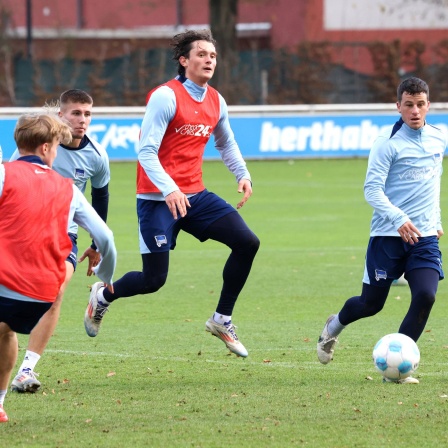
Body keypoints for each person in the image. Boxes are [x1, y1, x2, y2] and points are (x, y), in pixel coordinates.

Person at [84, 29, 260, 357]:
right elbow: (146, 151)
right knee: (153, 280)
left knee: (247, 242)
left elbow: (226, 142)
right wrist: (169, 189)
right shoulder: (165, 96)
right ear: (184, 60)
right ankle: (102, 296)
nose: (209, 60)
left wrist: (243, 174)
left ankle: (222, 319)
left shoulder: (216, 100)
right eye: (202, 54)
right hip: (157, 199)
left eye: (213, 55)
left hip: (195, 195)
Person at [317, 77, 446, 384]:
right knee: (371, 304)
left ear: (429, 105)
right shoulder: (386, 143)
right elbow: (372, 190)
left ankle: (397, 370)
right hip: (387, 238)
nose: (415, 111)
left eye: (420, 104)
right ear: (398, 105)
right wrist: (398, 218)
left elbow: (433, 183)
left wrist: (436, 220)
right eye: (409, 105)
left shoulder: (438, 138)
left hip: (424, 237)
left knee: (426, 295)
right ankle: (332, 328)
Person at [0, 113, 116, 423]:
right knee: (8, 328)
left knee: (4, 330)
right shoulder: (68, 189)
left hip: (7, 276)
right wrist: (105, 279)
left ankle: (16, 379)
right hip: (41, 289)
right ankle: (5, 394)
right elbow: (106, 236)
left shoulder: (4, 174)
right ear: (47, 148)